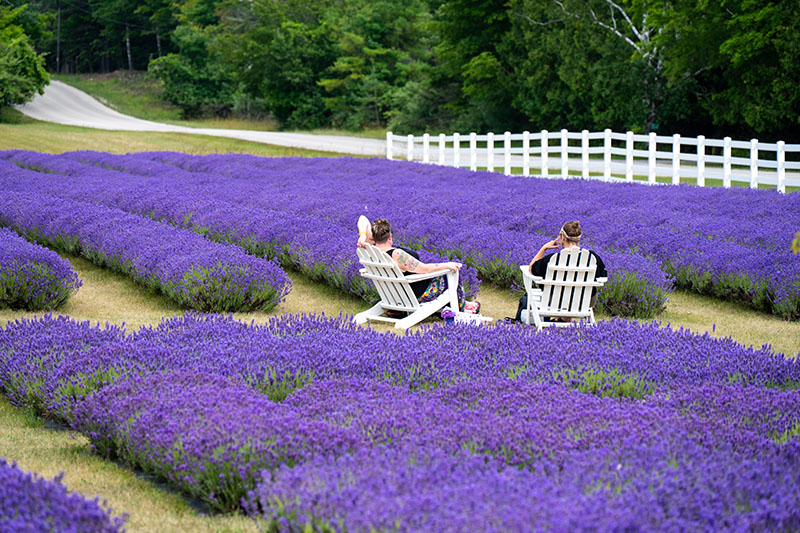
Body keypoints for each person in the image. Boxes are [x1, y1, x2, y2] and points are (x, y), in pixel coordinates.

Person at [357, 216, 480, 314]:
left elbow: (362, 218)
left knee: (443, 276)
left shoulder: (371, 250)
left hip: (395, 295)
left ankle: (461, 304)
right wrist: (447, 265)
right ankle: (461, 307)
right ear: (390, 236)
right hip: (417, 294)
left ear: (373, 237)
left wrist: (362, 235)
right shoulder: (397, 255)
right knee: (451, 274)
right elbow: (425, 269)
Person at [515, 220, 607, 322]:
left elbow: (531, 269)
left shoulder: (552, 259)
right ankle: (565, 319)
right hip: (584, 303)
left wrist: (543, 248)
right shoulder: (593, 258)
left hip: (555, 302)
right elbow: (603, 276)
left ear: (562, 237)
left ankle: (563, 318)